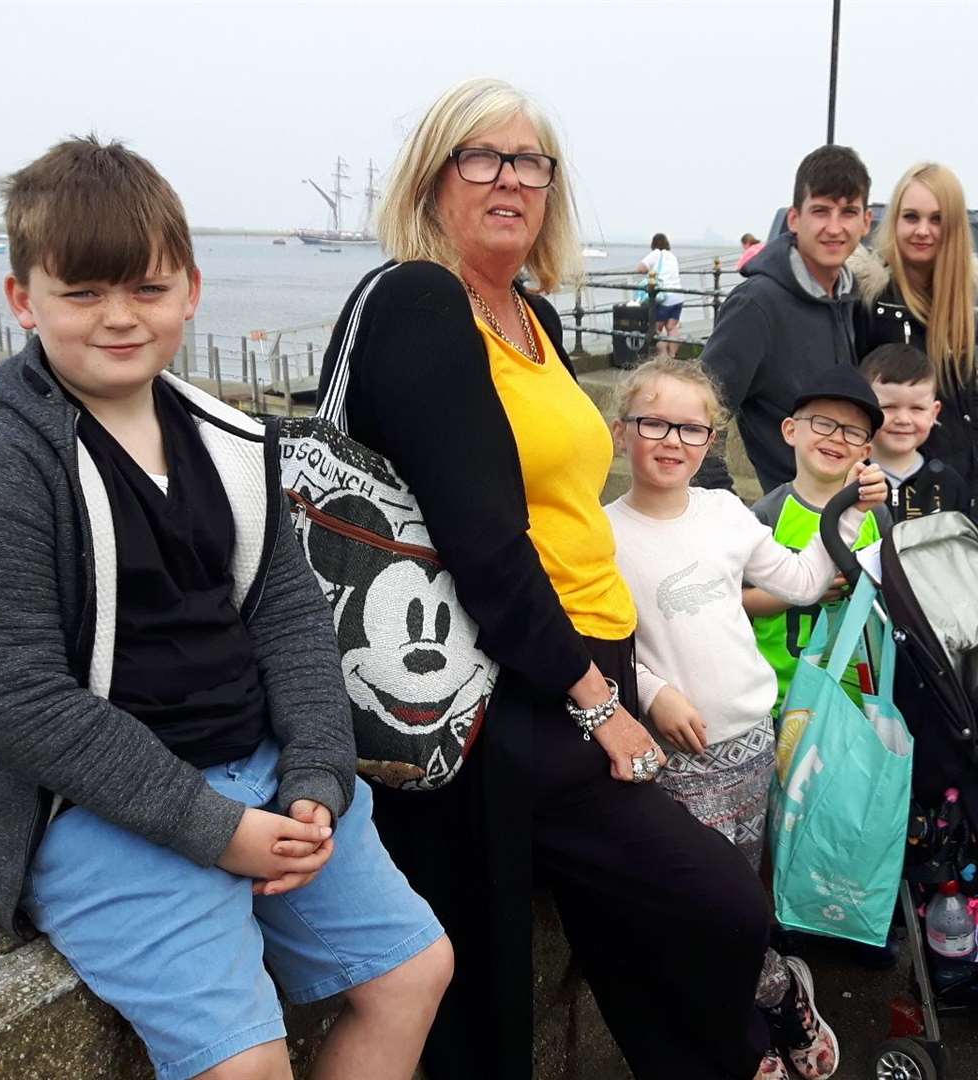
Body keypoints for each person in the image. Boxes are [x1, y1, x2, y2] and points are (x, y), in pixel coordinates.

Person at [0, 136, 451, 1080]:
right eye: (81, 294)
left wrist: (317, 778)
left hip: (263, 769)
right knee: (241, 1063)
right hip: (81, 804)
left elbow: (289, 618)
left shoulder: (235, 442)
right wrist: (215, 831)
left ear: (191, 291)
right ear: (22, 299)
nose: (118, 318)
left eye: (147, 290)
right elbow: (13, 694)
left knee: (412, 972)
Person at [317, 78, 776, 1080]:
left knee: (642, 934)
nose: (510, 179)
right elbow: (483, 539)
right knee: (500, 991)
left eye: (530, 162)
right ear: (434, 180)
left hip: (574, 666)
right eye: (480, 157)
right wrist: (594, 701)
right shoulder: (420, 301)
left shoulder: (532, 316)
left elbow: (560, 509)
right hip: (491, 688)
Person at [604, 358, 885, 1080]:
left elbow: (799, 581)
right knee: (702, 912)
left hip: (751, 747)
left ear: (712, 439)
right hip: (672, 761)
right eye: (654, 423)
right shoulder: (601, 535)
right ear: (619, 432)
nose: (672, 440)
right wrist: (653, 689)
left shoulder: (728, 514)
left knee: (733, 906)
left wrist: (846, 511)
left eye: (691, 427)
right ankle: (770, 1006)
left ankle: (765, 1005)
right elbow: (598, 645)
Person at [696, 145, 872, 493]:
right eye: (820, 211)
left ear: (866, 222)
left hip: (846, 511)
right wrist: (727, 510)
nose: (834, 227)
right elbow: (697, 415)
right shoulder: (756, 304)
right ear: (795, 219)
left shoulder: (850, 298)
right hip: (787, 526)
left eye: (848, 212)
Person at [745, 366, 887, 705]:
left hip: (858, 697)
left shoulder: (874, 512)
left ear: (865, 451)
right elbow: (739, 601)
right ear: (791, 430)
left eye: (853, 432)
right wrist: (803, 589)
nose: (837, 437)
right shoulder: (766, 515)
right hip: (781, 695)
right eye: (823, 423)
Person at [855, 162, 978, 521]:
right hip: (891, 487)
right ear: (895, 220)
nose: (923, 231)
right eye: (911, 217)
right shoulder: (871, 296)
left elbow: (966, 392)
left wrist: (976, 459)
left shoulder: (958, 295)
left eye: (936, 219)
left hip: (957, 484)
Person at [860, 342, 962, 520]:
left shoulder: (948, 483)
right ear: (864, 409)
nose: (903, 420)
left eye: (917, 409)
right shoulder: (850, 478)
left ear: (933, 413)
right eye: (889, 407)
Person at [638, 232, 684, 358]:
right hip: (678, 295)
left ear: (653, 244)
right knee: (672, 327)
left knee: (657, 327)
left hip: (664, 296)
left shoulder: (656, 253)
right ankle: (673, 355)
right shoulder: (672, 256)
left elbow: (640, 268)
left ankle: (663, 356)